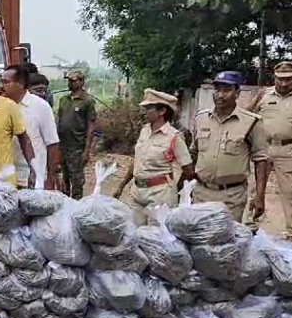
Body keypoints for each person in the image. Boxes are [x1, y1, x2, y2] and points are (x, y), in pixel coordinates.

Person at [190, 71, 269, 223]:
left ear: (237, 93)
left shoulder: (251, 122)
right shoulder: (201, 119)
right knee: (199, 239)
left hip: (231, 197)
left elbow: (261, 160)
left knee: (225, 243)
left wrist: (260, 195)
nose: (220, 95)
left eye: (227, 90)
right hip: (201, 193)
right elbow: (194, 152)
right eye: (217, 90)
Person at [112, 89, 195, 225]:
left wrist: (174, 189)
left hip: (160, 194)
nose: (145, 111)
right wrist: (121, 186)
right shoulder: (145, 131)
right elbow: (136, 161)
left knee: (156, 238)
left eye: (149, 108)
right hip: (137, 192)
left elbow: (188, 168)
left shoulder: (174, 137)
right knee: (134, 234)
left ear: (162, 111)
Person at [248, 61, 292, 236]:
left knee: (290, 192)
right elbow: (246, 115)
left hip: (288, 150)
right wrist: (255, 100)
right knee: (255, 189)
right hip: (263, 148)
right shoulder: (264, 95)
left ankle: (291, 231)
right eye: (280, 79)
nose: (283, 83)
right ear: (274, 77)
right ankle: (250, 227)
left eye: (288, 79)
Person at [1, 64, 61, 189]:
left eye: (6, 82)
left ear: (21, 84)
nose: (2, 86)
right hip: (6, 179)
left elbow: (52, 144)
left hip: (32, 179)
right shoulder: (1, 106)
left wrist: (50, 179)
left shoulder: (41, 107)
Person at [57, 69, 97, 199]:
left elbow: (91, 127)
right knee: (64, 178)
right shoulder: (64, 100)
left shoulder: (87, 101)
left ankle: (77, 206)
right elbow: (60, 121)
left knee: (77, 180)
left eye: (73, 81)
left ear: (81, 82)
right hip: (63, 145)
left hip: (77, 147)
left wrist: (87, 150)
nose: (70, 83)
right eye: (69, 80)